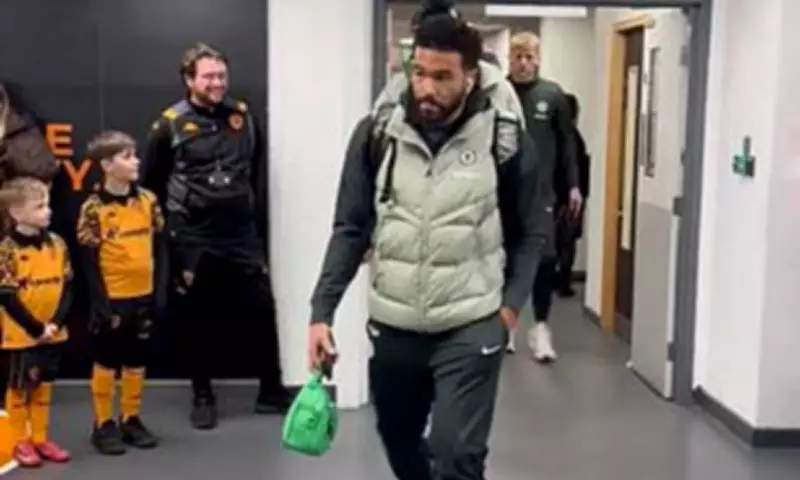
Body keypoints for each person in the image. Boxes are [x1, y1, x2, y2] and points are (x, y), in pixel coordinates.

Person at [308, 13, 548, 480]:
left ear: (470, 77)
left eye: (442, 77)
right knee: (400, 443)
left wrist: (508, 311)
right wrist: (322, 312)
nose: (426, 89)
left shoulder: (503, 139)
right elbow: (351, 228)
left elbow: (531, 232)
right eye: (418, 73)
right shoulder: (378, 133)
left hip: (471, 324)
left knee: (456, 455)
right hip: (395, 326)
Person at [140, 42, 289, 430]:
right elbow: (152, 182)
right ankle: (202, 395)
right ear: (189, 80)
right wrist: (174, 232)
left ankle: (271, 391)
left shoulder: (242, 116)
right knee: (197, 317)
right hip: (194, 235)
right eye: (209, 76)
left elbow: (254, 170)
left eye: (222, 75)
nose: (218, 83)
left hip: (240, 234)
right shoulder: (170, 124)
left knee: (262, 308)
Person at [76, 131, 165, 455]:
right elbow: (88, 262)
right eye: (127, 157)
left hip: (143, 295)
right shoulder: (93, 208)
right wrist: (100, 304)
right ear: (107, 165)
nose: (136, 162)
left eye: (135, 155)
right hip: (113, 298)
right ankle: (103, 424)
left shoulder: (148, 201)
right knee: (107, 360)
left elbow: (160, 247)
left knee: (136, 359)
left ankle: (131, 418)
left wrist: (159, 292)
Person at [507, 31, 582, 361]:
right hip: (506, 192)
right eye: (518, 57)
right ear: (510, 59)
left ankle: (540, 328)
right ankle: (507, 324)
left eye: (529, 57)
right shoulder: (499, 93)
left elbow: (567, 144)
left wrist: (573, 185)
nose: (524, 63)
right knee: (505, 259)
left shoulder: (552, 95)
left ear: (537, 59)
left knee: (544, 259)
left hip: (542, 193)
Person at [0, 177, 72, 467]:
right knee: (19, 388)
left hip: (52, 331)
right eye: (40, 206)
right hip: (21, 335)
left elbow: (68, 287)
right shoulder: (7, 250)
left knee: (43, 386)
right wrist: (36, 328)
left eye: (48, 205)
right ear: (17, 213)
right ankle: (20, 440)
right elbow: (7, 297)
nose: (48, 211)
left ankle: (40, 437)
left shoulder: (58, 244)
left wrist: (55, 323)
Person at [374, 0, 524, 124]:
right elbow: (377, 128)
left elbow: (514, 141)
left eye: (442, 77)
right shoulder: (399, 86)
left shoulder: (496, 88)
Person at [555, 93, 590, 297]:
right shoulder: (574, 139)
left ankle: (558, 281)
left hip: (557, 198)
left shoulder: (560, 138)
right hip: (570, 199)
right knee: (567, 243)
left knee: (558, 242)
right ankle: (563, 282)